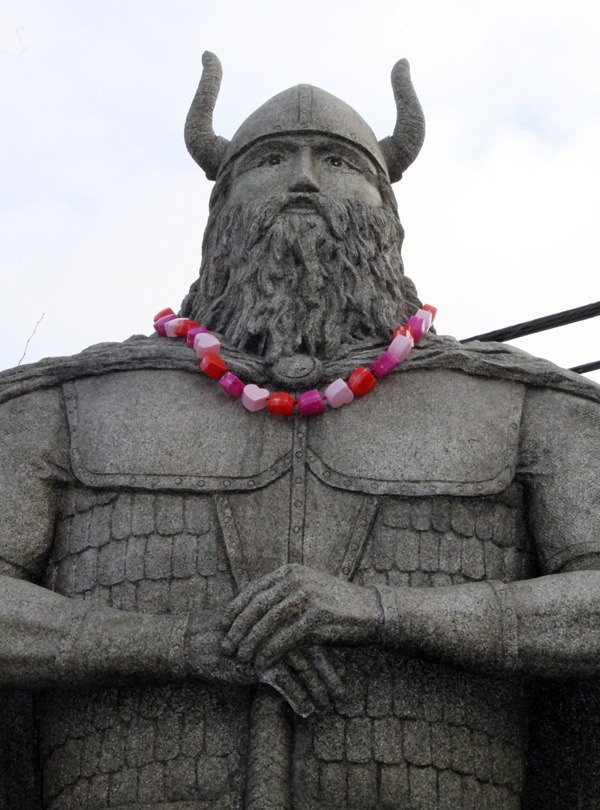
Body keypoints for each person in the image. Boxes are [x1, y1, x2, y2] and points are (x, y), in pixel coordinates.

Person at [0, 51, 599, 810]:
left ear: (388, 211)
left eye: (342, 161)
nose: (306, 178)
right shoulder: (58, 404)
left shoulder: (530, 404)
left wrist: (383, 614)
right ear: (219, 209)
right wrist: (182, 646)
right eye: (273, 158)